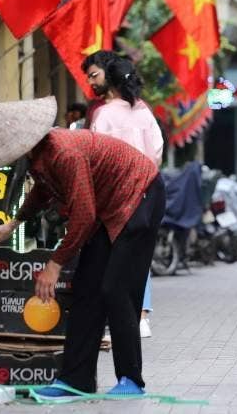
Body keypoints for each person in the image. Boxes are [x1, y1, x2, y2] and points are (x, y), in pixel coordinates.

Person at [0, 96, 164, 397]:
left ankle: (131, 380)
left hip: (140, 196)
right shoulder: (40, 156)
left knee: (115, 289)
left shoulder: (63, 152)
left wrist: (54, 265)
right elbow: (42, 192)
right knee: (86, 289)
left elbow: (83, 216)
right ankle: (76, 380)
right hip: (108, 208)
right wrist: (13, 223)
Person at [81, 50, 163, 338]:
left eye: (94, 75)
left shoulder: (103, 114)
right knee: (140, 254)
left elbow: (95, 153)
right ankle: (140, 315)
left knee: (112, 256)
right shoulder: (144, 111)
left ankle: (112, 320)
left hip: (114, 193)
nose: (91, 82)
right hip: (147, 190)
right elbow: (157, 151)